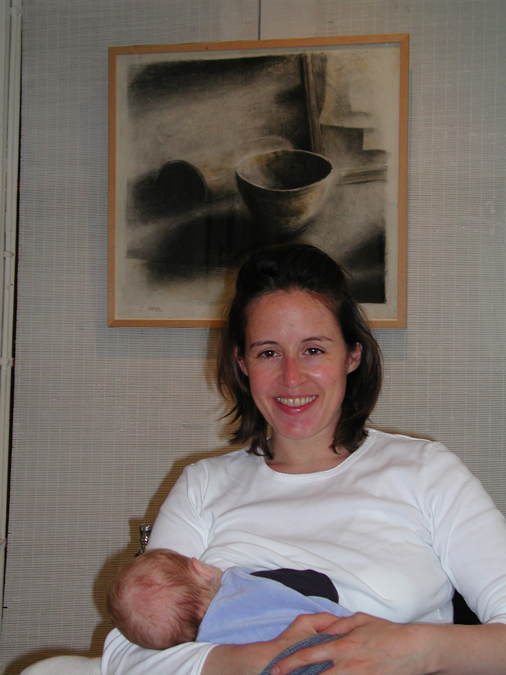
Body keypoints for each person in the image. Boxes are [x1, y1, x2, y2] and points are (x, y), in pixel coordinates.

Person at [102, 243, 506, 675]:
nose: (291, 378)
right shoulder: (202, 485)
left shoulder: (426, 471)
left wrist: (417, 649)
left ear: (352, 355)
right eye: (268, 352)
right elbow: (128, 656)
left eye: (313, 350)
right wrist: (268, 660)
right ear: (242, 363)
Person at [106, 548, 350, 650]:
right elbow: (322, 587)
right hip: (336, 648)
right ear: (202, 569)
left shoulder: (210, 649)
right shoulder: (242, 585)